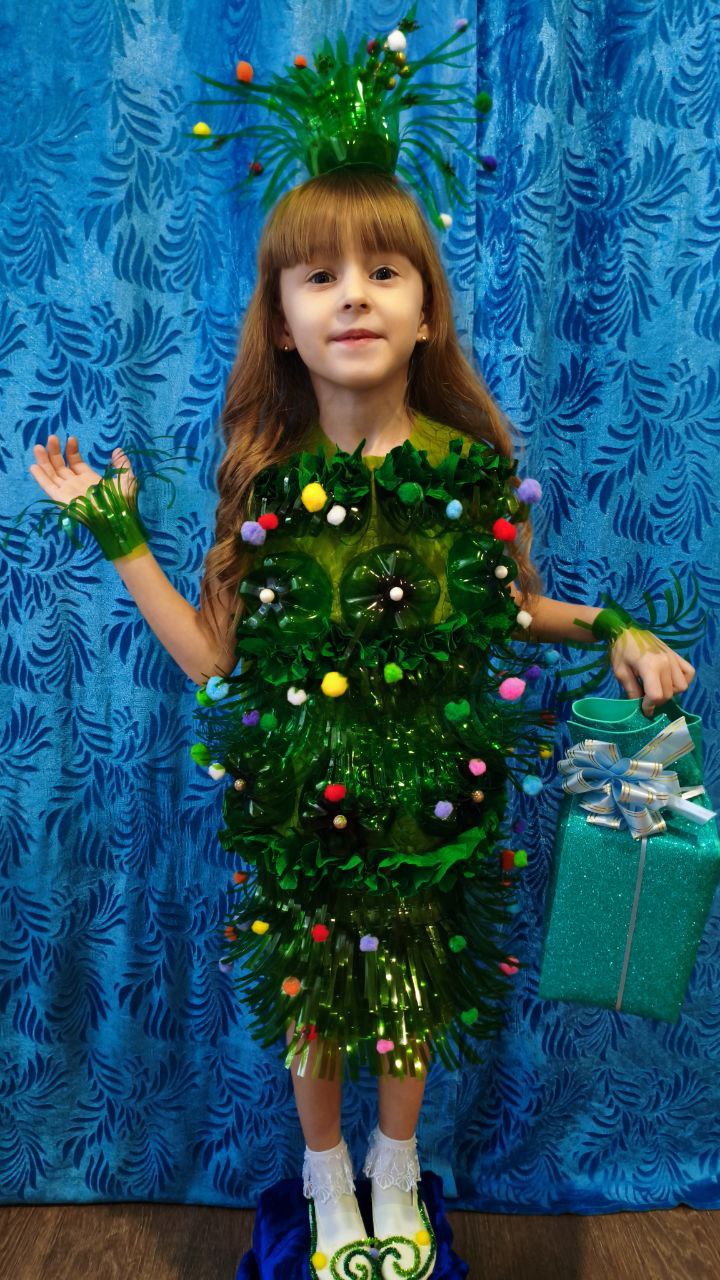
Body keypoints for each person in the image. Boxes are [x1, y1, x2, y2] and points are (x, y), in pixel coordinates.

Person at [24, 20, 696, 1279]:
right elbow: (215, 661)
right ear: (281, 321)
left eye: (384, 271)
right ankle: (325, 1174)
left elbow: (507, 610)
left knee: (411, 995)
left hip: (432, 802)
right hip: (303, 805)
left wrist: (618, 628)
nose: (353, 296)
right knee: (316, 997)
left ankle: (398, 1165)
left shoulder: (468, 469)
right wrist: (118, 535)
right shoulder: (268, 483)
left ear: (427, 311)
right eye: (320, 276)